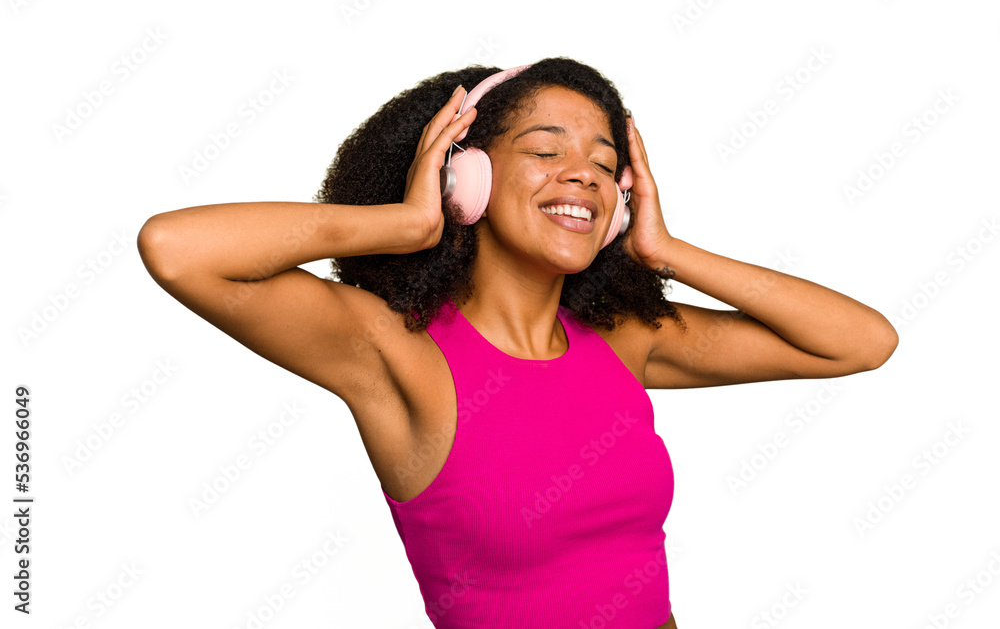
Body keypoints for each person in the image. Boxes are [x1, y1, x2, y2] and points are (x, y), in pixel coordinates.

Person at [138, 57, 898, 628]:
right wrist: (406, 220)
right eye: (547, 150)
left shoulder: (624, 340)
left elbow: (861, 342)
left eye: (605, 165)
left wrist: (666, 251)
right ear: (467, 176)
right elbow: (177, 250)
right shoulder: (392, 350)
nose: (584, 176)